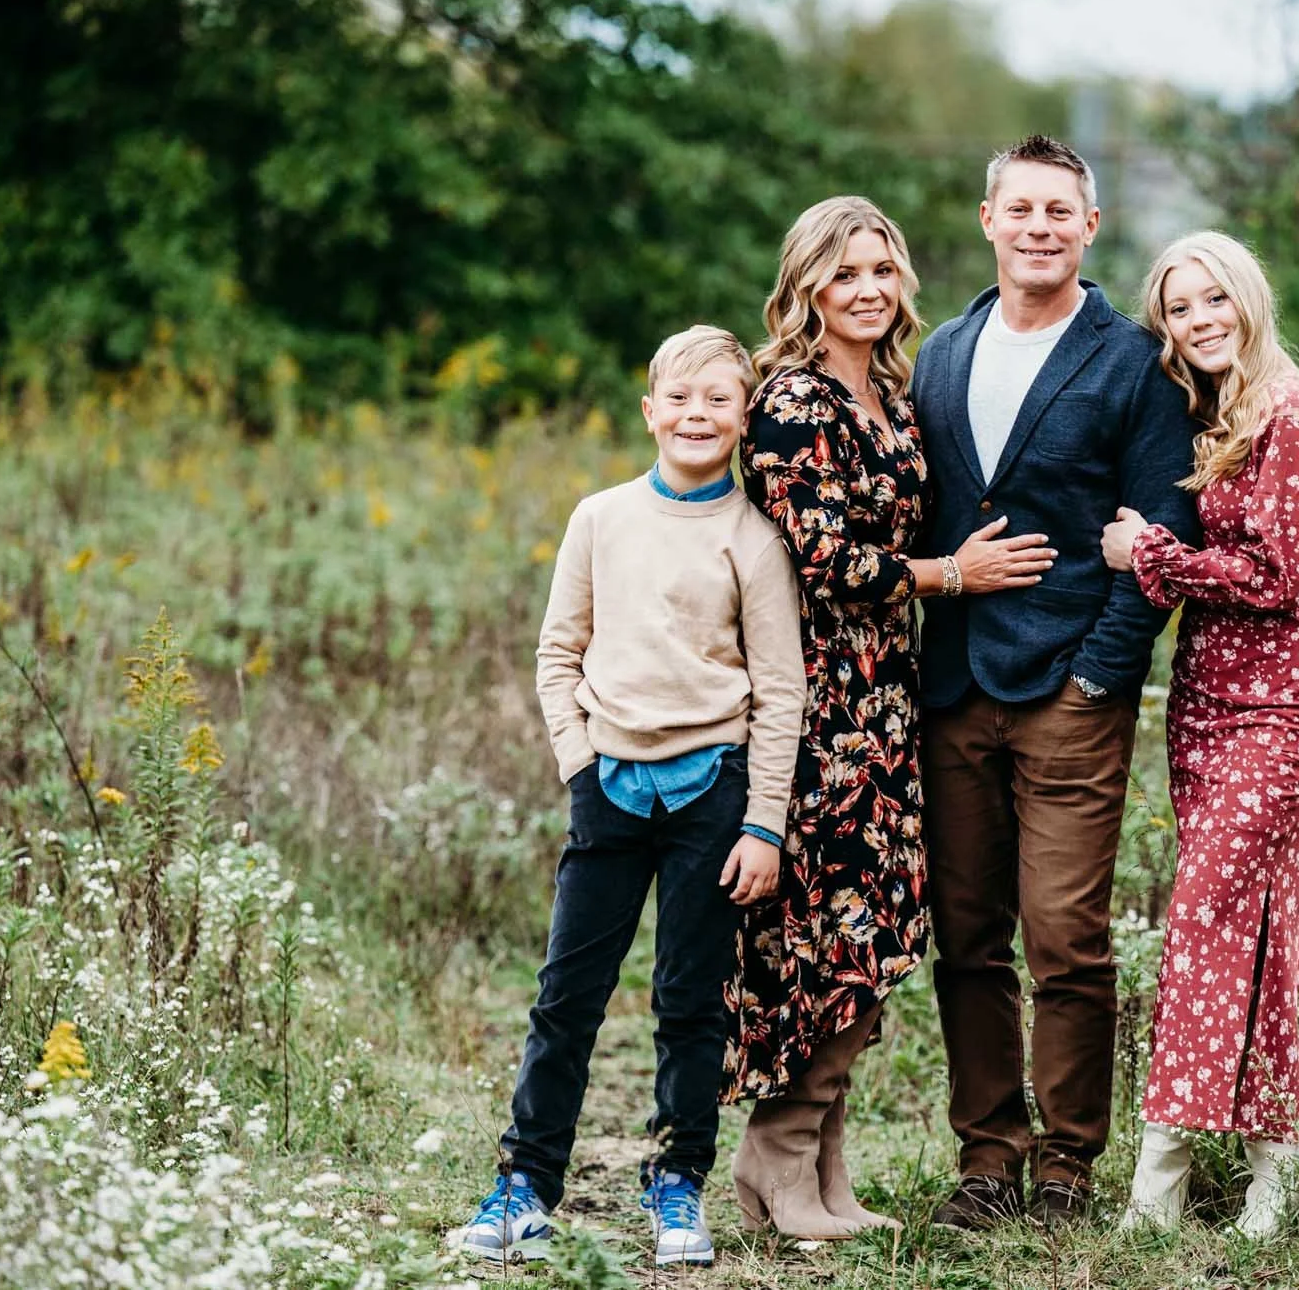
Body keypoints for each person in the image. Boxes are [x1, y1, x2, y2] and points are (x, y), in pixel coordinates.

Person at [724, 195, 1056, 1239]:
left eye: (881, 269)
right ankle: (774, 1162)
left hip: (887, 694)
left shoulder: (892, 391)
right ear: (807, 286)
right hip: (817, 697)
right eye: (844, 273)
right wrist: (948, 575)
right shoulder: (792, 399)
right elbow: (820, 558)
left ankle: (820, 1172)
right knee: (826, 930)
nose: (867, 290)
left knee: (874, 928)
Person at [452, 325, 805, 1269]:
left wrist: (763, 820)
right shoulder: (600, 518)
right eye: (680, 399)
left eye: (718, 401)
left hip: (714, 797)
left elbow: (780, 692)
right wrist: (578, 765)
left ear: (743, 418)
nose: (697, 415)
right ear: (650, 410)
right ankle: (526, 1184)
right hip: (607, 786)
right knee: (567, 994)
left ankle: (678, 1182)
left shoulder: (753, 540)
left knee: (692, 1001)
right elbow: (556, 651)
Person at [909, 136, 1201, 1228]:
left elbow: (1158, 526)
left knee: (1065, 936)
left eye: (1058, 211)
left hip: (1068, 691)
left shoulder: (1131, 360)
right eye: (1018, 207)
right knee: (967, 931)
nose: (1037, 226)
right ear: (986, 218)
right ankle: (985, 1155)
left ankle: (1069, 1162)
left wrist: (1098, 674)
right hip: (949, 687)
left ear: (1088, 227)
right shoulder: (940, 351)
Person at [1104, 230, 1299, 1241]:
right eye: (1177, 306)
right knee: (1249, 930)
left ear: (1247, 298)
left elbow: (1272, 577)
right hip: (1208, 704)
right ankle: (1273, 1168)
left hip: (1287, 708)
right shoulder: (1212, 409)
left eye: (1213, 298)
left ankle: (1155, 1187)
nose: (1197, 318)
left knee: (1205, 918)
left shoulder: (1297, 409)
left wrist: (1147, 551)